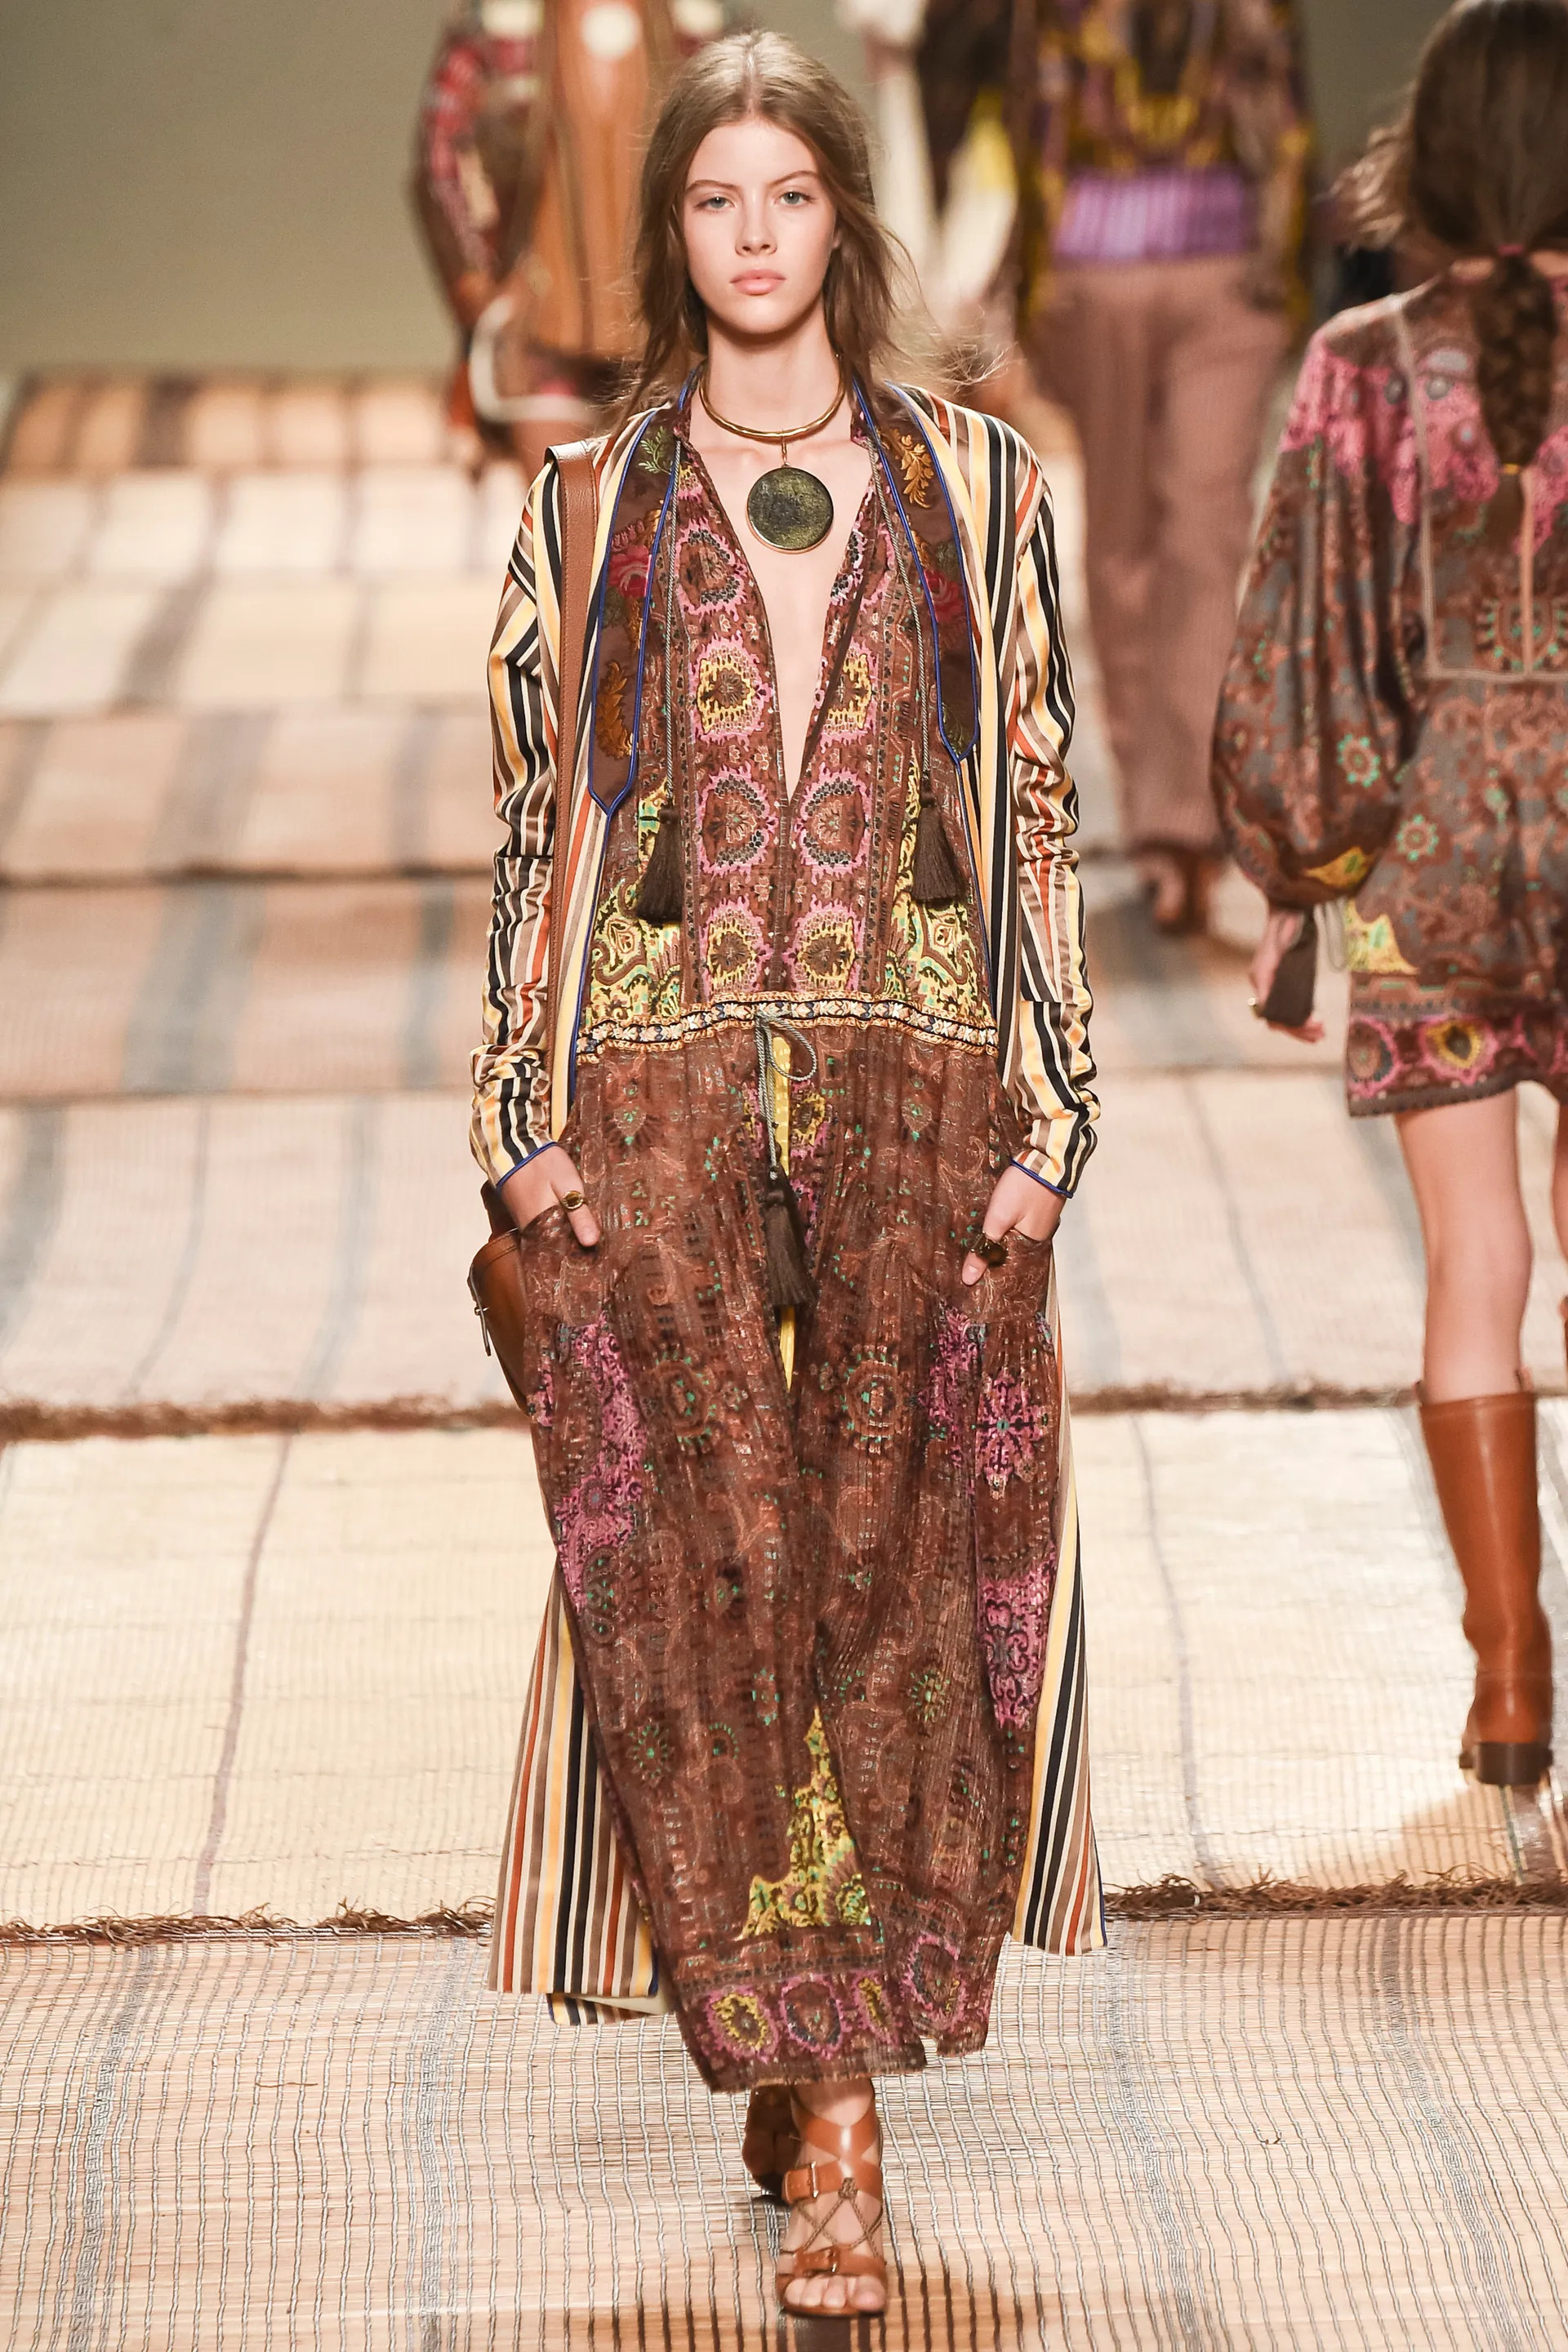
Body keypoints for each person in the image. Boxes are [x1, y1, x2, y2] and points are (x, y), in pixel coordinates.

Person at [470, 29, 1103, 2314]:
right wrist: (517, 1117)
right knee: (706, 1569)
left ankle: (823, 2067)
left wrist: (1055, 1111)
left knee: (892, 1562)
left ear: (847, 218)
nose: (754, 236)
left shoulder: (981, 483)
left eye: (791, 195)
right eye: (715, 199)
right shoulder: (585, 499)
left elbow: (1034, 793)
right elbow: (537, 820)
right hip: (648, 1085)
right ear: (676, 233)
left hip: (918, 1073)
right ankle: (809, 2065)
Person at [1215, 0, 1568, 1791]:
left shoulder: (1363, 365)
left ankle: (1510, 1680)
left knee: (1473, 1263)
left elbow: (1311, 647)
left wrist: (1302, 872)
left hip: (1432, 859)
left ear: (1430, 155)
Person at [1017, 0, 1312, 933]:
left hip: (1224, 268)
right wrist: (1035, 286)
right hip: (1096, 267)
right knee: (1124, 541)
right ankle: (1157, 811)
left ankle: (1184, 816)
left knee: (1201, 538)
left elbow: (1287, 123)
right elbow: (1039, 119)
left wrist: (1284, 270)